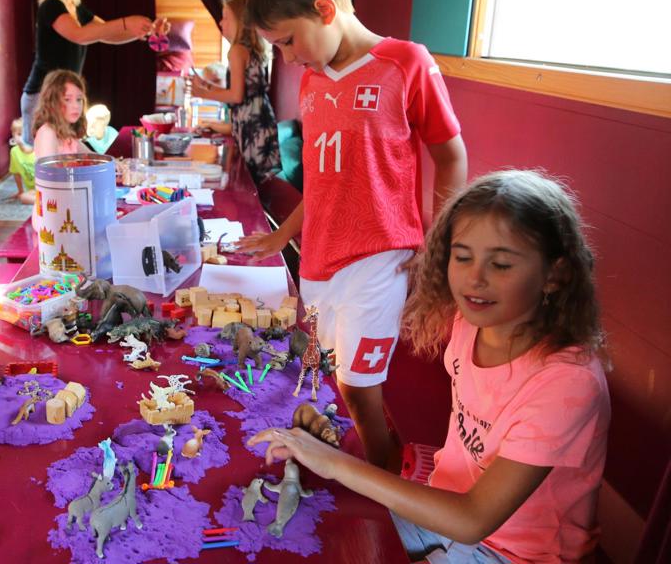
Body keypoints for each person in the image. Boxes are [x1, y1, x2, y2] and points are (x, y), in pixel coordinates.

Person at [251, 170, 610, 563]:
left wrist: (335, 462)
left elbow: (474, 520)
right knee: (316, 525)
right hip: (442, 511)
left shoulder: (566, 383)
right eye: (463, 257)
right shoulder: (470, 325)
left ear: (555, 275)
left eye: (502, 265)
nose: (475, 279)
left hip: (513, 552)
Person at [237, 0, 469, 470]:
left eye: (288, 41)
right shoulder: (313, 82)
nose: (289, 57)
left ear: (325, 9)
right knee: (338, 376)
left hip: (380, 256)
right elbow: (321, 184)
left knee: (360, 387)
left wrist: (441, 246)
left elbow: (451, 156)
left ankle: (383, 488)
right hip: (320, 259)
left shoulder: (406, 63)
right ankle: (375, 452)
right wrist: (283, 237)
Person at [20, 0, 168, 145]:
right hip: (42, 95)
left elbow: (108, 33)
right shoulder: (51, 6)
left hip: (64, 95)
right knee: (50, 158)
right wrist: (127, 23)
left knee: (65, 153)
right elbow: (80, 35)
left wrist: (147, 31)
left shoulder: (75, 8)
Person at [190, 0, 281, 183]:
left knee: (248, 180)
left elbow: (236, 96)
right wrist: (208, 85)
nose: (221, 22)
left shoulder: (237, 51)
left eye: (225, 17)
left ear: (240, 21)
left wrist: (203, 93)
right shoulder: (251, 49)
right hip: (262, 121)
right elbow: (245, 90)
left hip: (252, 126)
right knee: (260, 182)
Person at [32, 70, 90, 160]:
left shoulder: (67, 135)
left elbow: (92, 157)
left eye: (79, 99)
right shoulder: (48, 133)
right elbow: (49, 173)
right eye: (67, 99)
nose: (76, 106)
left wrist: (113, 162)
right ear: (52, 102)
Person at [9, 118, 37, 204]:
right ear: (13, 135)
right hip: (33, 190)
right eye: (19, 134)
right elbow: (16, 172)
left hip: (45, 187)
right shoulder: (14, 152)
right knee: (23, 197)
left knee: (25, 198)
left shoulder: (38, 150)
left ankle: (47, 202)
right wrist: (20, 190)